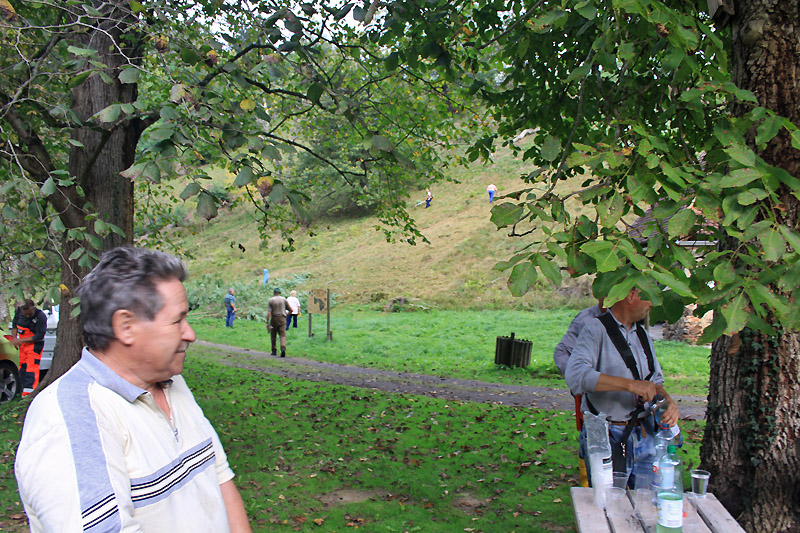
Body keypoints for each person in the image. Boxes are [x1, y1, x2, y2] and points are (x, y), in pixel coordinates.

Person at [14, 247, 251, 532]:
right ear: (126, 326)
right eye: (177, 321)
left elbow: (219, 478)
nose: (191, 334)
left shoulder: (172, 382)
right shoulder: (69, 421)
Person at [565, 287, 679, 488]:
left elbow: (655, 381)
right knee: (610, 509)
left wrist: (668, 401)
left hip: (645, 436)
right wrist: (629, 385)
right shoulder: (595, 329)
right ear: (631, 294)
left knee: (646, 507)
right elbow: (576, 376)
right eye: (649, 296)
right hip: (608, 437)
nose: (652, 304)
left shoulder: (642, 334)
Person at [552, 299, 605, 487]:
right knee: (593, 448)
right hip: (592, 403)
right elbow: (562, 352)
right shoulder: (586, 319)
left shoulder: (633, 320)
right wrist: (580, 381)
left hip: (624, 407)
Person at [10, 299, 47, 396]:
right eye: (25, 314)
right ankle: (21, 391)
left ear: (33, 308)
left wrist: (19, 341)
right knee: (22, 367)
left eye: (29, 314)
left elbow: (39, 336)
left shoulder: (40, 317)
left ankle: (29, 394)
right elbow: (15, 325)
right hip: (22, 345)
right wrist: (14, 338)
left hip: (34, 346)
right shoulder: (18, 311)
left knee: (31, 368)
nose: (27, 316)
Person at [266, 287, 291, 357]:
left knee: (273, 335)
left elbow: (269, 313)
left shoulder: (271, 300)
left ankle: (274, 350)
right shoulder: (284, 299)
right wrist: (286, 315)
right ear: (280, 293)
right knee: (282, 335)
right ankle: (283, 348)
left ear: (274, 293)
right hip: (282, 318)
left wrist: (267, 321)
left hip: (274, 318)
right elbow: (291, 309)